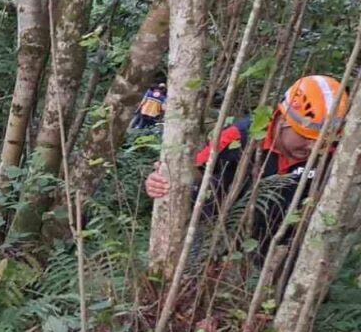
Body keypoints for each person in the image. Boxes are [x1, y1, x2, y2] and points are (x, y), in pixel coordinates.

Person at [144, 75, 350, 245]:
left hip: (282, 252)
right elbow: (194, 170)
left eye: (322, 142)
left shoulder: (334, 155)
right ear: (283, 119)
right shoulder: (241, 136)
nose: (313, 148)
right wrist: (162, 179)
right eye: (306, 137)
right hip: (217, 240)